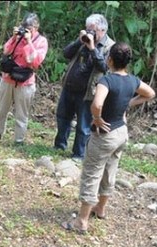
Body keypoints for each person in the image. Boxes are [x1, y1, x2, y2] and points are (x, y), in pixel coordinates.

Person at [62, 42, 155, 234]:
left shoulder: (107, 81)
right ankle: (101, 209)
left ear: (109, 59)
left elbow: (97, 104)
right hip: (121, 133)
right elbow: (150, 93)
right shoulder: (132, 80)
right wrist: (129, 103)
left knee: (92, 172)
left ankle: (82, 220)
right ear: (127, 62)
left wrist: (97, 118)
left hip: (105, 134)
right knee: (110, 170)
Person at [54, 14, 115, 160]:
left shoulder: (109, 46)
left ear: (102, 30)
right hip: (70, 86)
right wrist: (78, 41)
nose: (90, 33)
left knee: (83, 125)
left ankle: (78, 153)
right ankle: (59, 145)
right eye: (88, 29)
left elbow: (104, 67)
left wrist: (93, 48)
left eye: (93, 30)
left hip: (88, 92)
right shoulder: (83, 41)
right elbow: (65, 53)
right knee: (62, 117)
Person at [0, 13, 48, 145]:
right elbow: (6, 51)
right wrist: (15, 38)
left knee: (21, 113)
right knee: (2, 108)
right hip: (8, 78)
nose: (26, 30)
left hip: (25, 82)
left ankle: (19, 140)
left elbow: (33, 61)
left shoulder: (41, 41)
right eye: (24, 27)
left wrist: (29, 41)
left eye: (29, 28)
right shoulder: (18, 37)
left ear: (36, 28)